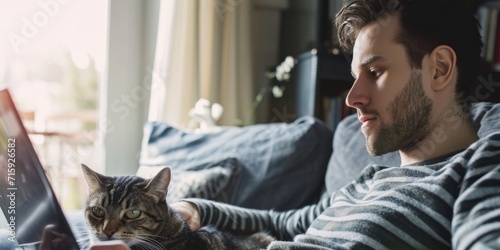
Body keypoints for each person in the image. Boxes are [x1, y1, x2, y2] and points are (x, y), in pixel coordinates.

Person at [91, 0, 500, 249]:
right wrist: (196, 207)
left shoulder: (481, 164)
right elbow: (284, 223)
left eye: (374, 72)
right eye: (354, 75)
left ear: (440, 68)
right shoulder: (369, 180)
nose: (352, 97)